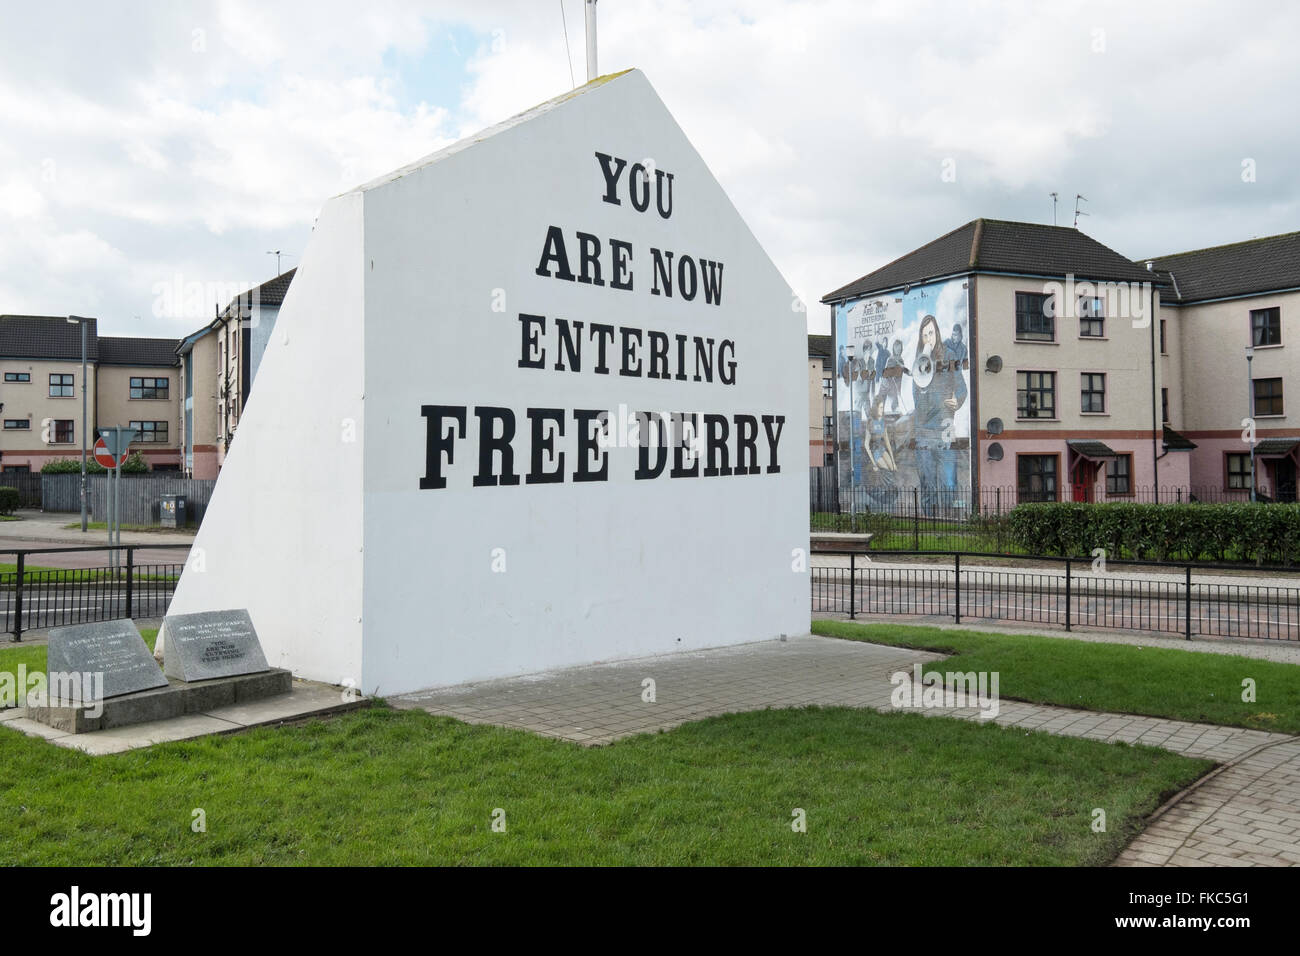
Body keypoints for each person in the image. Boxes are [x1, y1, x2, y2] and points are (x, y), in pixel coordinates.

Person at [911, 314, 967, 515]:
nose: (929, 338)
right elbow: (917, 402)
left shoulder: (950, 355)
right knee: (927, 484)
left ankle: (951, 522)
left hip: (944, 430)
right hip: (924, 433)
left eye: (931, 333)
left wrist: (957, 401)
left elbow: (961, 388)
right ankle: (928, 524)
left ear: (937, 333)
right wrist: (924, 386)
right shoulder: (919, 363)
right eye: (925, 335)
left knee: (949, 482)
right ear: (921, 338)